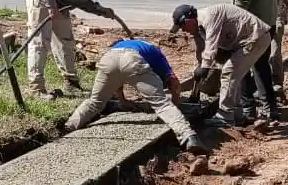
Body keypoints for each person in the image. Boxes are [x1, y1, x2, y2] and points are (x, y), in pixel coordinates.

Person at [64, 38, 208, 154]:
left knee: (95, 102)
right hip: (132, 59)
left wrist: (122, 100)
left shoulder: (117, 47)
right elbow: (174, 82)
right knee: (162, 105)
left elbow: (116, 79)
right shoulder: (153, 50)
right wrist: (176, 104)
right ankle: (189, 138)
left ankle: (69, 126)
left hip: (108, 59)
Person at [22, 0, 121, 99]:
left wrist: (101, 10)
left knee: (66, 42)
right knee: (40, 43)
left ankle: (71, 84)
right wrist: (51, 7)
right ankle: (36, 89)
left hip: (59, 3)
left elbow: (82, 1)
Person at [169, 2, 276, 127]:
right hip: (245, 41)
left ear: (189, 19)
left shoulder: (210, 16)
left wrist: (205, 67)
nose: (183, 30)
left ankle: (225, 116)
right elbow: (201, 51)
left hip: (255, 37)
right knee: (234, 75)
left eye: (183, 26)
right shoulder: (199, 28)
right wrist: (198, 72)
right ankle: (237, 115)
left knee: (229, 72)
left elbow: (211, 45)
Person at [231, 0, 282, 122]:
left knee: (242, 66)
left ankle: (248, 110)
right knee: (262, 68)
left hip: (251, 26)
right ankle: (270, 109)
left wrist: (234, 23)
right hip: (268, 23)